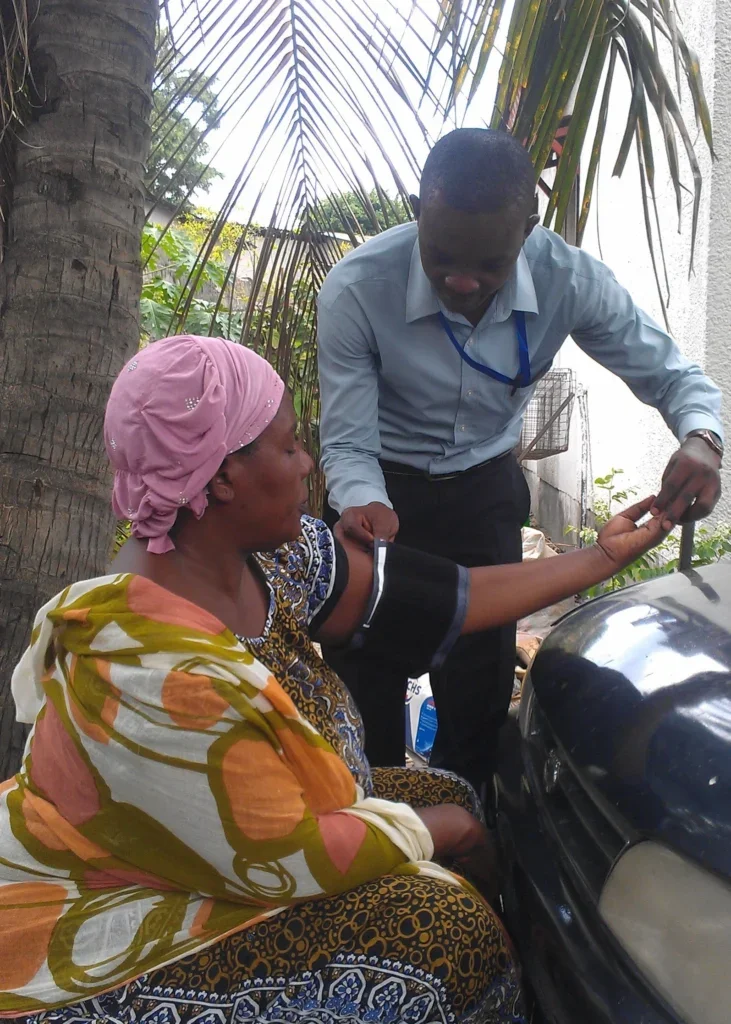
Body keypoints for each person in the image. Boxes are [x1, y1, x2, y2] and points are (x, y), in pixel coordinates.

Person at [0, 335, 669, 1023]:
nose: (307, 465)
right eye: (289, 447)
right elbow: (282, 856)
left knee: (448, 789)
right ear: (223, 477)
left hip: (255, 843)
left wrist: (599, 558)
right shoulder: (152, 675)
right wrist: (451, 834)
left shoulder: (270, 559)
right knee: (444, 932)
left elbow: (452, 596)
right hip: (136, 898)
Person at [317, 127, 724, 795]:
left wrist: (700, 440)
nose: (463, 279)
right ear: (416, 211)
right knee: (365, 693)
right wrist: (364, 501)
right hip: (380, 494)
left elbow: (674, 378)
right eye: (441, 256)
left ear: (527, 231)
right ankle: (376, 843)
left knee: (476, 697)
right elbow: (348, 442)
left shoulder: (569, 280)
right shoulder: (357, 289)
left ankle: (471, 835)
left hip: (483, 492)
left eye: (489, 264)